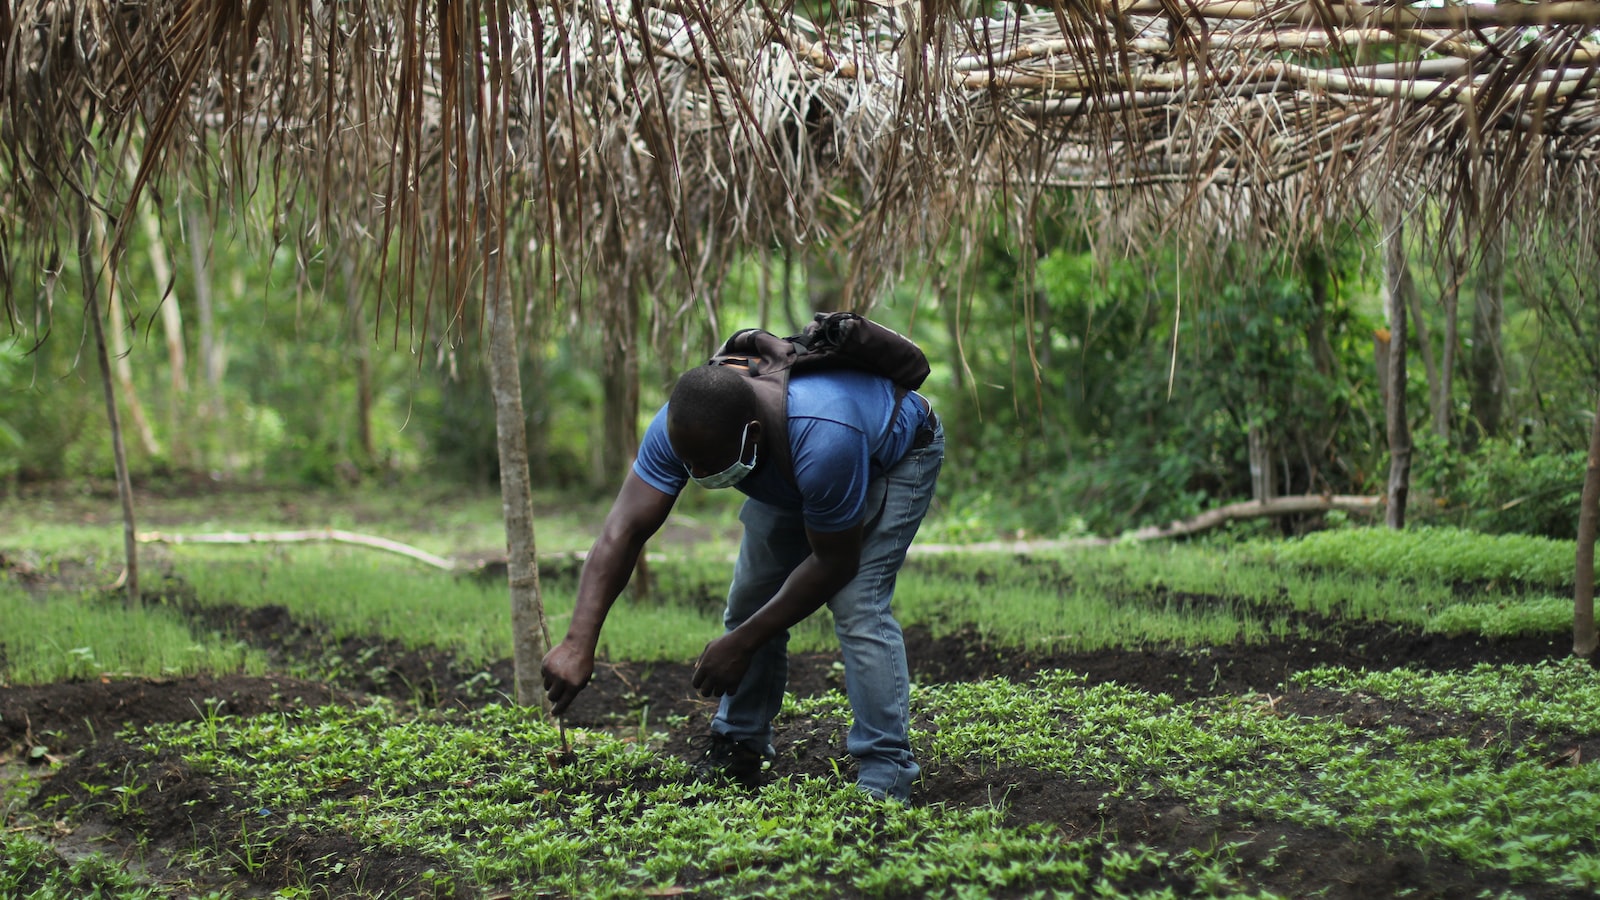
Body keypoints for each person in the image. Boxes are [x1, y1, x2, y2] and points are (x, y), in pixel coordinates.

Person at [540, 357, 943, 801]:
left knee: (857, 604)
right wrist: (578, 641)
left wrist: (743, 642)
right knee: (752, 598)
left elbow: (835, 564)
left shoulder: (825, 437)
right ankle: (739, 745)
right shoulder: (682, 425)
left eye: (708, 462)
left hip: (892, 453)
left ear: (750, 433)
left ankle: (885, 770)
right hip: (788, 467)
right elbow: (622, 530)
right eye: (687, 461)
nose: (695, 473)